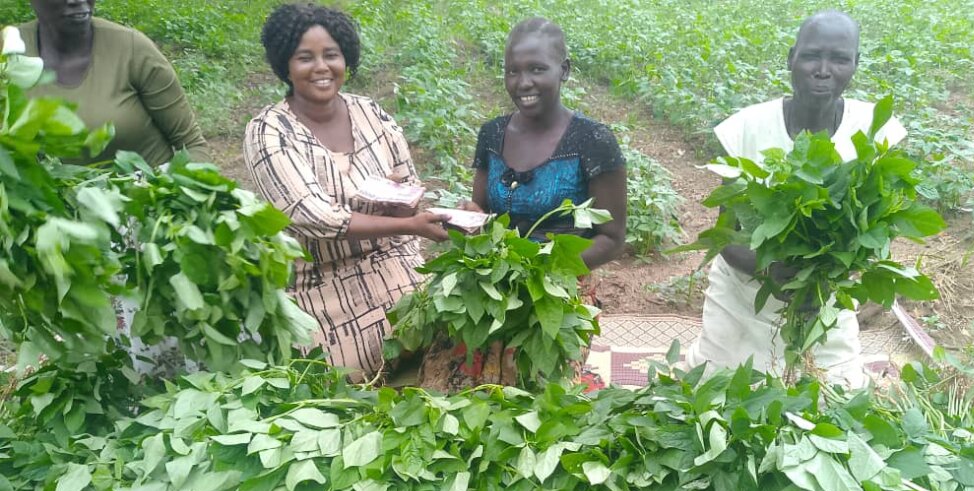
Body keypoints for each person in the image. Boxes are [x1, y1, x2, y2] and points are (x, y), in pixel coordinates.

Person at [685, 10, 906, 388]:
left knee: (837, 398)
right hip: (745, 293)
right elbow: (724, 236)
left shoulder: (875, 130)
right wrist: (770, 270)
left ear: (855, 64)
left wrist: (830, 275)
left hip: (824, 301)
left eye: (839, 59)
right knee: (720, 393)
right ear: (791, 59)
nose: (823, 70)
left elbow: (877, 232)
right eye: (811, 56)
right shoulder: (748, 129)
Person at [243, 3, 448, 378]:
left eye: (331, 55)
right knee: (344, 391)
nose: (321, 67)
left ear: (346, 59)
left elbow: (408, 184)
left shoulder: (372, 113)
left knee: (442, 355)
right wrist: (410, 225)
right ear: (285, 66)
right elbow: (312, 217)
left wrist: (414, 210)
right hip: (321, 283)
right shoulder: (269, 131)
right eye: (305, 57)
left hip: (395, 266)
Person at [466, 17, 627, 270]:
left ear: (564, 70)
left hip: (560, 289)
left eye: (537, 69)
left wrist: (541, 270)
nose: (523, 82)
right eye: (512, 71)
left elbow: (612, 238)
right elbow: (482, 213)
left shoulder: (592, 141)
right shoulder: (492, 134)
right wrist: (468, 217)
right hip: (494, 279)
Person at [19, 0, 209, 166]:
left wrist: (168, 187)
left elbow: (193, 146)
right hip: (53, 205)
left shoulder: (130, 49)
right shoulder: (10, 55)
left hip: (147, 200)